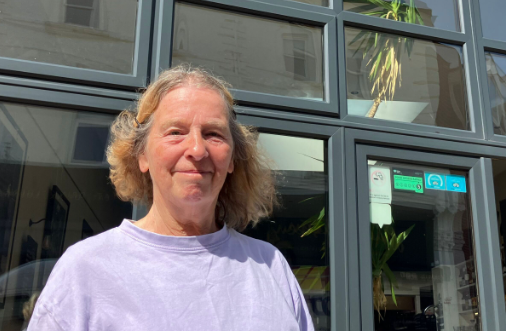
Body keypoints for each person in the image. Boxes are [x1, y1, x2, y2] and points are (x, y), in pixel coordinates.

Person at [27, 65, 314, 330]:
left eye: (213, 134)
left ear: (232, 161)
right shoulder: (86, 270)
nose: (197, 150)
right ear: (142, 155)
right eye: (176, 132)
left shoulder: (270, 266)